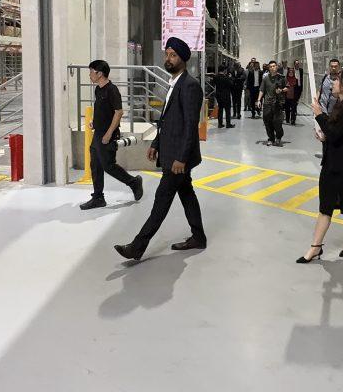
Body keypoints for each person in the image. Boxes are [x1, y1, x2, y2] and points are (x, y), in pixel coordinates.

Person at [115, 37, 207, 261]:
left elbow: (190, 126)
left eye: (173, 55)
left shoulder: (190, 86)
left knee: (161, 200)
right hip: (171, 151)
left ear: (183, 59)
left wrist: (181, 158)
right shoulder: (174, 83)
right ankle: (199, 237)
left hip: (178, 158)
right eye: (167, 54)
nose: (168, 59)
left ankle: (137, 246)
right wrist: (156, 143)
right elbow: (167, 121)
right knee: (186, 193)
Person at [298, 69, 343, 264]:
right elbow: (335, 134)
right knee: (325, 207)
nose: (333, 83)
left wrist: (319, 115)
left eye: (337, 80)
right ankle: (315, 247)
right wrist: (324, 137)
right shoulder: (339, 104)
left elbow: (335, 134)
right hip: (330, 164)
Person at [80, 60, 144, 210]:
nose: (89, 75)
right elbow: (102, 110)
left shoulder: (112, 90)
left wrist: (109, 133)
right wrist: (94, 122)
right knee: (95, 165)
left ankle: (134, 182)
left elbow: (118, 112)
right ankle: (98, 198)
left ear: (100, 73)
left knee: (108, 166)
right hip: (98, 133)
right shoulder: (98, 89)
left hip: (107, 135)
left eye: (91, 72)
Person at [258, 60, 287, 146]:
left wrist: (281, 90)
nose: (272, 68)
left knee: (277, 122)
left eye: (274, 66)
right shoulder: (265, 78)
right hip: (267, 103)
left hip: (278, 103)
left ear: (276, 67)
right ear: (269, 68)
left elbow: (287, 88)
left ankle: (278, 137)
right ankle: (271, 138)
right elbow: (262, 90)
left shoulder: (282, 78)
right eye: (270, 66)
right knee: (267, 122)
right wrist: (258, 100)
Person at [214, 64, 235, 128]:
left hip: (218, 95)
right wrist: (230, 78)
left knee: (220, 109)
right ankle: (228, 124)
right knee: (227, 110)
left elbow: (214, 83)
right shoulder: (226, 78)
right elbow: (231, 85)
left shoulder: (216, 77)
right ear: (224, 70)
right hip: (226, 95)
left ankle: (220, 124)